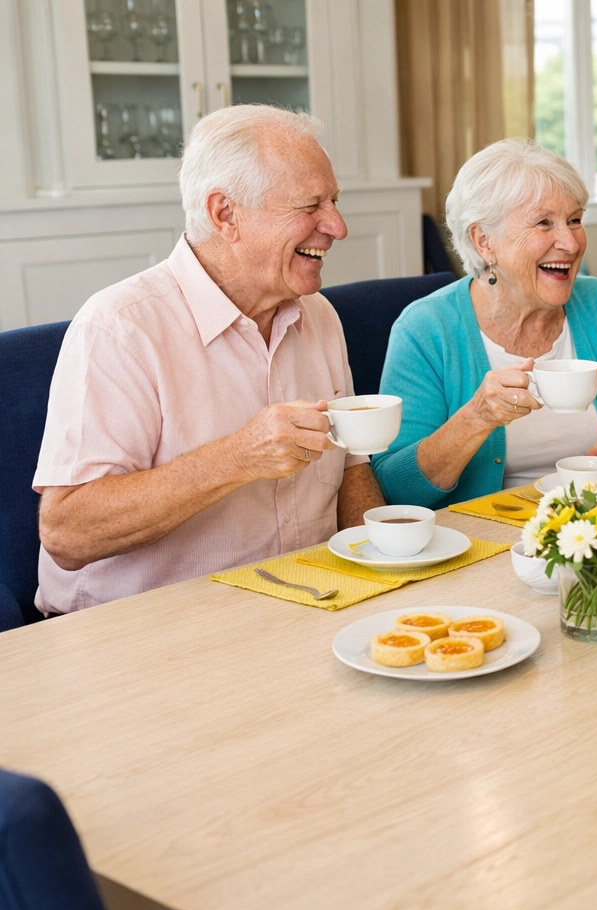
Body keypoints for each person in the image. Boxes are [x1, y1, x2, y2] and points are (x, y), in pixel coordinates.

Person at [34, 105, 384, 615]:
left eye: (334, 201)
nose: (337, 225)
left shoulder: (319, 317)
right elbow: (67, 532)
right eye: (311, 205)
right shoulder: (120, 328)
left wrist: (386, 565)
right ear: (225, 214)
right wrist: (237, 457)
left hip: (301, 606)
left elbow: (352, 470)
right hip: (142, 634)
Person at [371, 139, 597, 506]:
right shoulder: (426, 329)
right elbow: (395, 485)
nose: (571, 243)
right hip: (484, 539)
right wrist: (476, 418)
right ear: (484, 241)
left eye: (575, 220)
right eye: (544, 223)